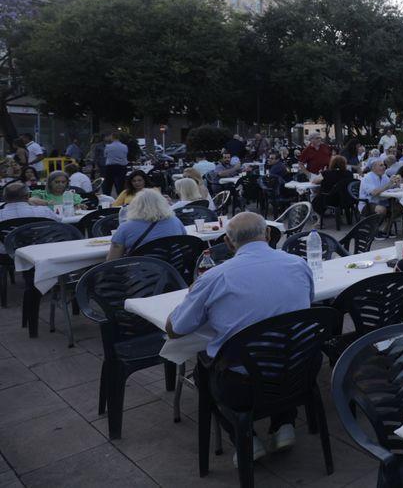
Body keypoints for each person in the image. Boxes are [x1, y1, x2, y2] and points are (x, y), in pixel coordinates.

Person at [166, 212, 313, 460]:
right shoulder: (298, 264)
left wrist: (193, 291)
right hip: (299, 370)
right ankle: (283, 422)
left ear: (228, 242)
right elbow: (304, 309)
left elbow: (176, 328)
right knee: (280, 346)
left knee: (203, 372)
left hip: (243, 385)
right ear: (267, 235)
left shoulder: (215, 277)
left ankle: (243, 436)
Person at [106, 190, 187, 260]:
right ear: (162, 203)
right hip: (173, 271)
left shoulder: (125, 227)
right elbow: (184, 243)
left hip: (140, 274)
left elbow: (112, 260)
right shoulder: (175, 221)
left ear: (136, 205)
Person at [359, 159, 400, 235]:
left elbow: (389, 187)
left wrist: (396, 183)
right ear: (373, 168)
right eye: (381, 165)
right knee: (382, 209)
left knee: (398, 208)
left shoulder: (384, 176)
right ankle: (374, 231)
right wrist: (389, 184)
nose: (384, 167)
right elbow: (374, 192)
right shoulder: (367, 177)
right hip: (367, 204)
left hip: (382, 202)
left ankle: (386, 230)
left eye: (384, 165)